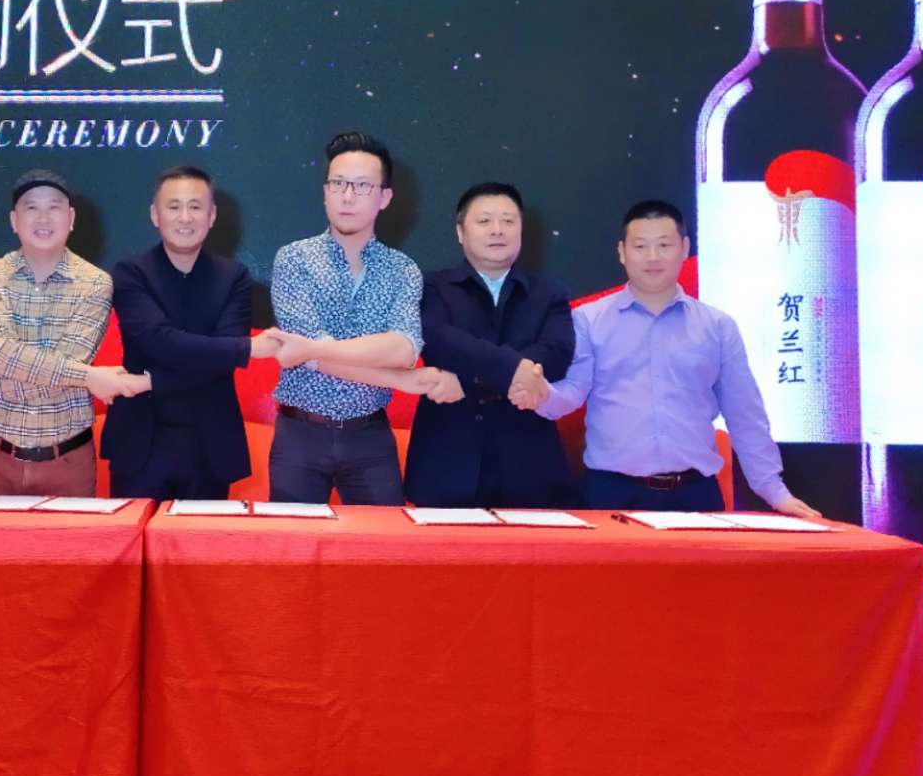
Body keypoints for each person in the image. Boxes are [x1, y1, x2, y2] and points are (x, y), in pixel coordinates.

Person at [533, 199, 821, 516]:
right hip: (612, 492)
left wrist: (773, 491)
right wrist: (541, 395)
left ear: (684, 249)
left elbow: (744, 413)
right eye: (640, 246)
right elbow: (573, 392)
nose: (652, 257)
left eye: (664, 245)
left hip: (695, 493)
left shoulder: (717, 326)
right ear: (622, 252)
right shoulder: (588, 320)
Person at [265, 131, 453, 505]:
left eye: (362, 186)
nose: (347, 196)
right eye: (338, 183)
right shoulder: (294, 259)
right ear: (325, 191)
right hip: (300, 434)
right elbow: (305, 353)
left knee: (383, 540)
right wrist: (400, 380)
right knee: (292, 540)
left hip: (370, 437)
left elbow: (403, 348)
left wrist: (313, 349)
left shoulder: (402, 269)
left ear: (385, 197)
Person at [102, 166, 278, 500]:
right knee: (132, 535)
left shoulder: (234, 277)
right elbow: (161, 343)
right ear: (155, 215)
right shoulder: (130, 273)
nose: (185, 217)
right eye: (174, 206)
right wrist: (246, 349)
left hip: (210, 445)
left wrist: (148, 382)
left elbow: (221, 363)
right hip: (139, 441)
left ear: (212, 216)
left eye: (195, 207)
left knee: (202, 536)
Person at [0, 169, 145, 497]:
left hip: (68, 462)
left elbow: (54, 371)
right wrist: (88, 377)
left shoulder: (95, 283)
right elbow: (2, 356)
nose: (43, 218)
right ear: (14, 220)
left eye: (54, 207)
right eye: (31, 207)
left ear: (71, 218)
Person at [404, 182, 576, 507]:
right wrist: (515, 370)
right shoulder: (432, 287)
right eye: (484, 221)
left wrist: (480, 374)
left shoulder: (549, 292)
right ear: (460, 232)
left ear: (521, 230)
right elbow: (439, 341)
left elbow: (557, 353)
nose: (497, 230)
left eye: (508, 221)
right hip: (447, 459)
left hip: (529, 463)